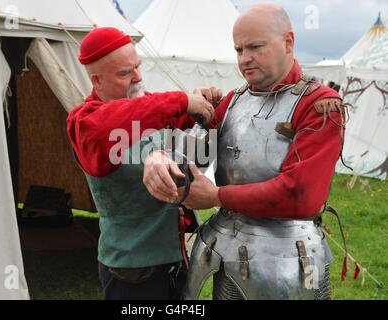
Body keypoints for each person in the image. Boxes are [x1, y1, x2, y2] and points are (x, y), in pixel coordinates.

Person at [143, 3, 346, 300]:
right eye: (238, 50)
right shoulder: (233, 102)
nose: (244, 59)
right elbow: (191, 157)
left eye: (255, 47)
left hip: (290, 256)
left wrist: (216, 196)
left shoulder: (320, 105)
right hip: (226, 246)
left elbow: (300, 195)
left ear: (288, 42)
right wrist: (158, 157)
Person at [66, 27, 218, 300]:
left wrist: (201, 103)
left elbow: (177, 122)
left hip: (176, 257)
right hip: (133, 271)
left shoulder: (146, 107)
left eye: (137, 67)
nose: (137, 77)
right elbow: (112, 125)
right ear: (96, 81)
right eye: (125, 73)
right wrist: (182, 100)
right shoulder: (85, 122)